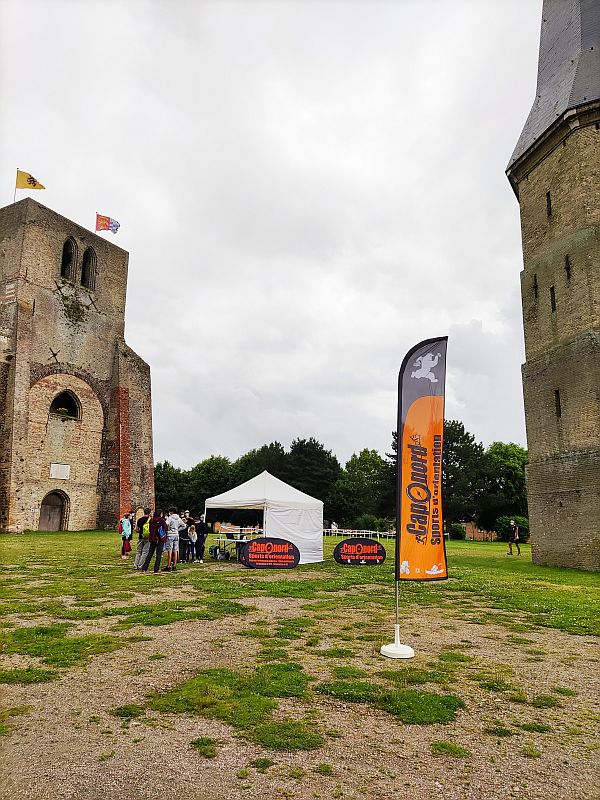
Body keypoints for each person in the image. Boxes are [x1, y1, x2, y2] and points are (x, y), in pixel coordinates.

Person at [163, 507, 184, 571]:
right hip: (176, 534)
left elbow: (165, 524)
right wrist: (178, 529)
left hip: (170, 534)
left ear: (171, 512)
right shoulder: (179, 518)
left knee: (170, 550)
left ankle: (168, 566)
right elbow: (184, 525)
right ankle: (174, 565)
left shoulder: (170, 518)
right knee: (175, 550)